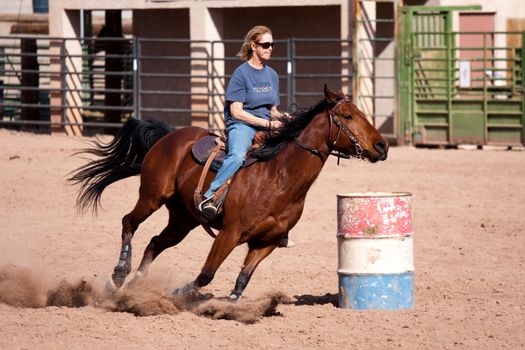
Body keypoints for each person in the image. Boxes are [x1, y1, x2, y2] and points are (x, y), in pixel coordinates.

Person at [198, 25, 288, 219]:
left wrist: (283, 117)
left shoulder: (272, 74)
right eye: (265, 44)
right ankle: (210, 196)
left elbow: (271, 110)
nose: (270, 48)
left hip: (265, 123)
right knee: (238, 156)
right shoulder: (241, 73)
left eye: (272, 44)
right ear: (253, 46)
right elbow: (236, 112)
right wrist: (268, 124)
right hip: (243, 125)